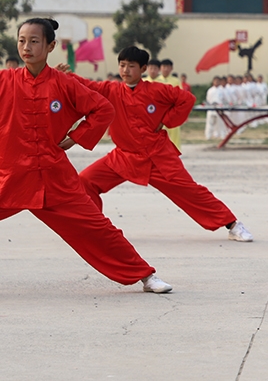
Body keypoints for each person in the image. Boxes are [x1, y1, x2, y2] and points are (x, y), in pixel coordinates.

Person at [4, 18, 172, 293]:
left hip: (53, 179)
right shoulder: (5, 81)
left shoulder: (64, 84)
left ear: (50, 46)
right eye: (22, 41)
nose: (27, 47)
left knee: (96, 227)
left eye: (35, 41)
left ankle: (145, 276)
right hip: (10, 176)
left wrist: (75, 138)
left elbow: (103, 109)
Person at [57, 46, 254, 243]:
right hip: (124, 156)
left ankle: (233, 225)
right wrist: (65, 76)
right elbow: (87, 85)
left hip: (157, 156)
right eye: (122, 65)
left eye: (131, 66)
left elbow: (187, 99)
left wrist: (167, 119)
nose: (125, 70)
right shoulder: (112, 90)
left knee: (190, 191)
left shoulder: (158, 90)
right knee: (86, 180)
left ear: (143, 69)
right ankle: (94, 228)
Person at [156, 59, 183, 150]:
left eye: (168, 67)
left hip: (172, 111)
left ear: (171, 68)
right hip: (159, 111)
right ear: (160, 68)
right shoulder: (156, 80)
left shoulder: (175, 81)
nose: (166, 69)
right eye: (164, 67)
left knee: (174, 132)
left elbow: (180, 95)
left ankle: (176, 151)